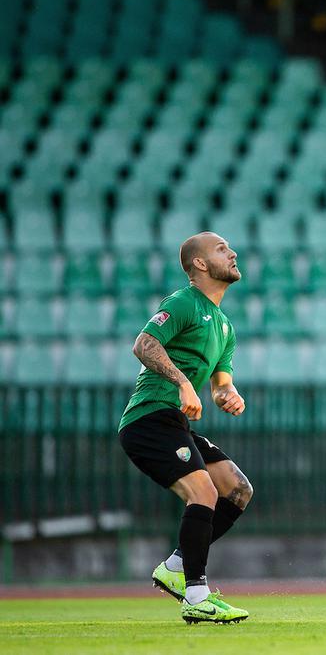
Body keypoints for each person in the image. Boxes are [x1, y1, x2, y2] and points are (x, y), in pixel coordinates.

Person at [118, 232, 252, 624]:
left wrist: (230, 395)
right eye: (222, 249)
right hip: (149, 418)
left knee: (237, 490)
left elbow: (221, 383)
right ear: (200, 264)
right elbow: (144, 344)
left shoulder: (225, 327)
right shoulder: (183, 302)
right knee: (204, 491)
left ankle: (177, 567)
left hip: (173, 421)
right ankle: (196, 594)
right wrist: (182, 382)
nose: (233, 253)